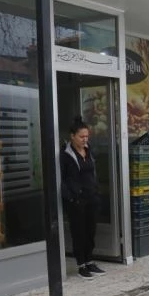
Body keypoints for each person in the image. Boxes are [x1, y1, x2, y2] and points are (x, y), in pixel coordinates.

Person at [60, 118, 105, 279]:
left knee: (90, 231)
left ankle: (90, 261)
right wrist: (71, 197)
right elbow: (62, 179)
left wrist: (96, 191)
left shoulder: (89, 150)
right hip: (76, 201)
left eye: (87, 136)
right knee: (79, 232)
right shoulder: (66, 155)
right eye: (81, 137)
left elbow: (92, 173)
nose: (85, 139)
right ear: (72, 136)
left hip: (91, 198)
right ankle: (81, 265)